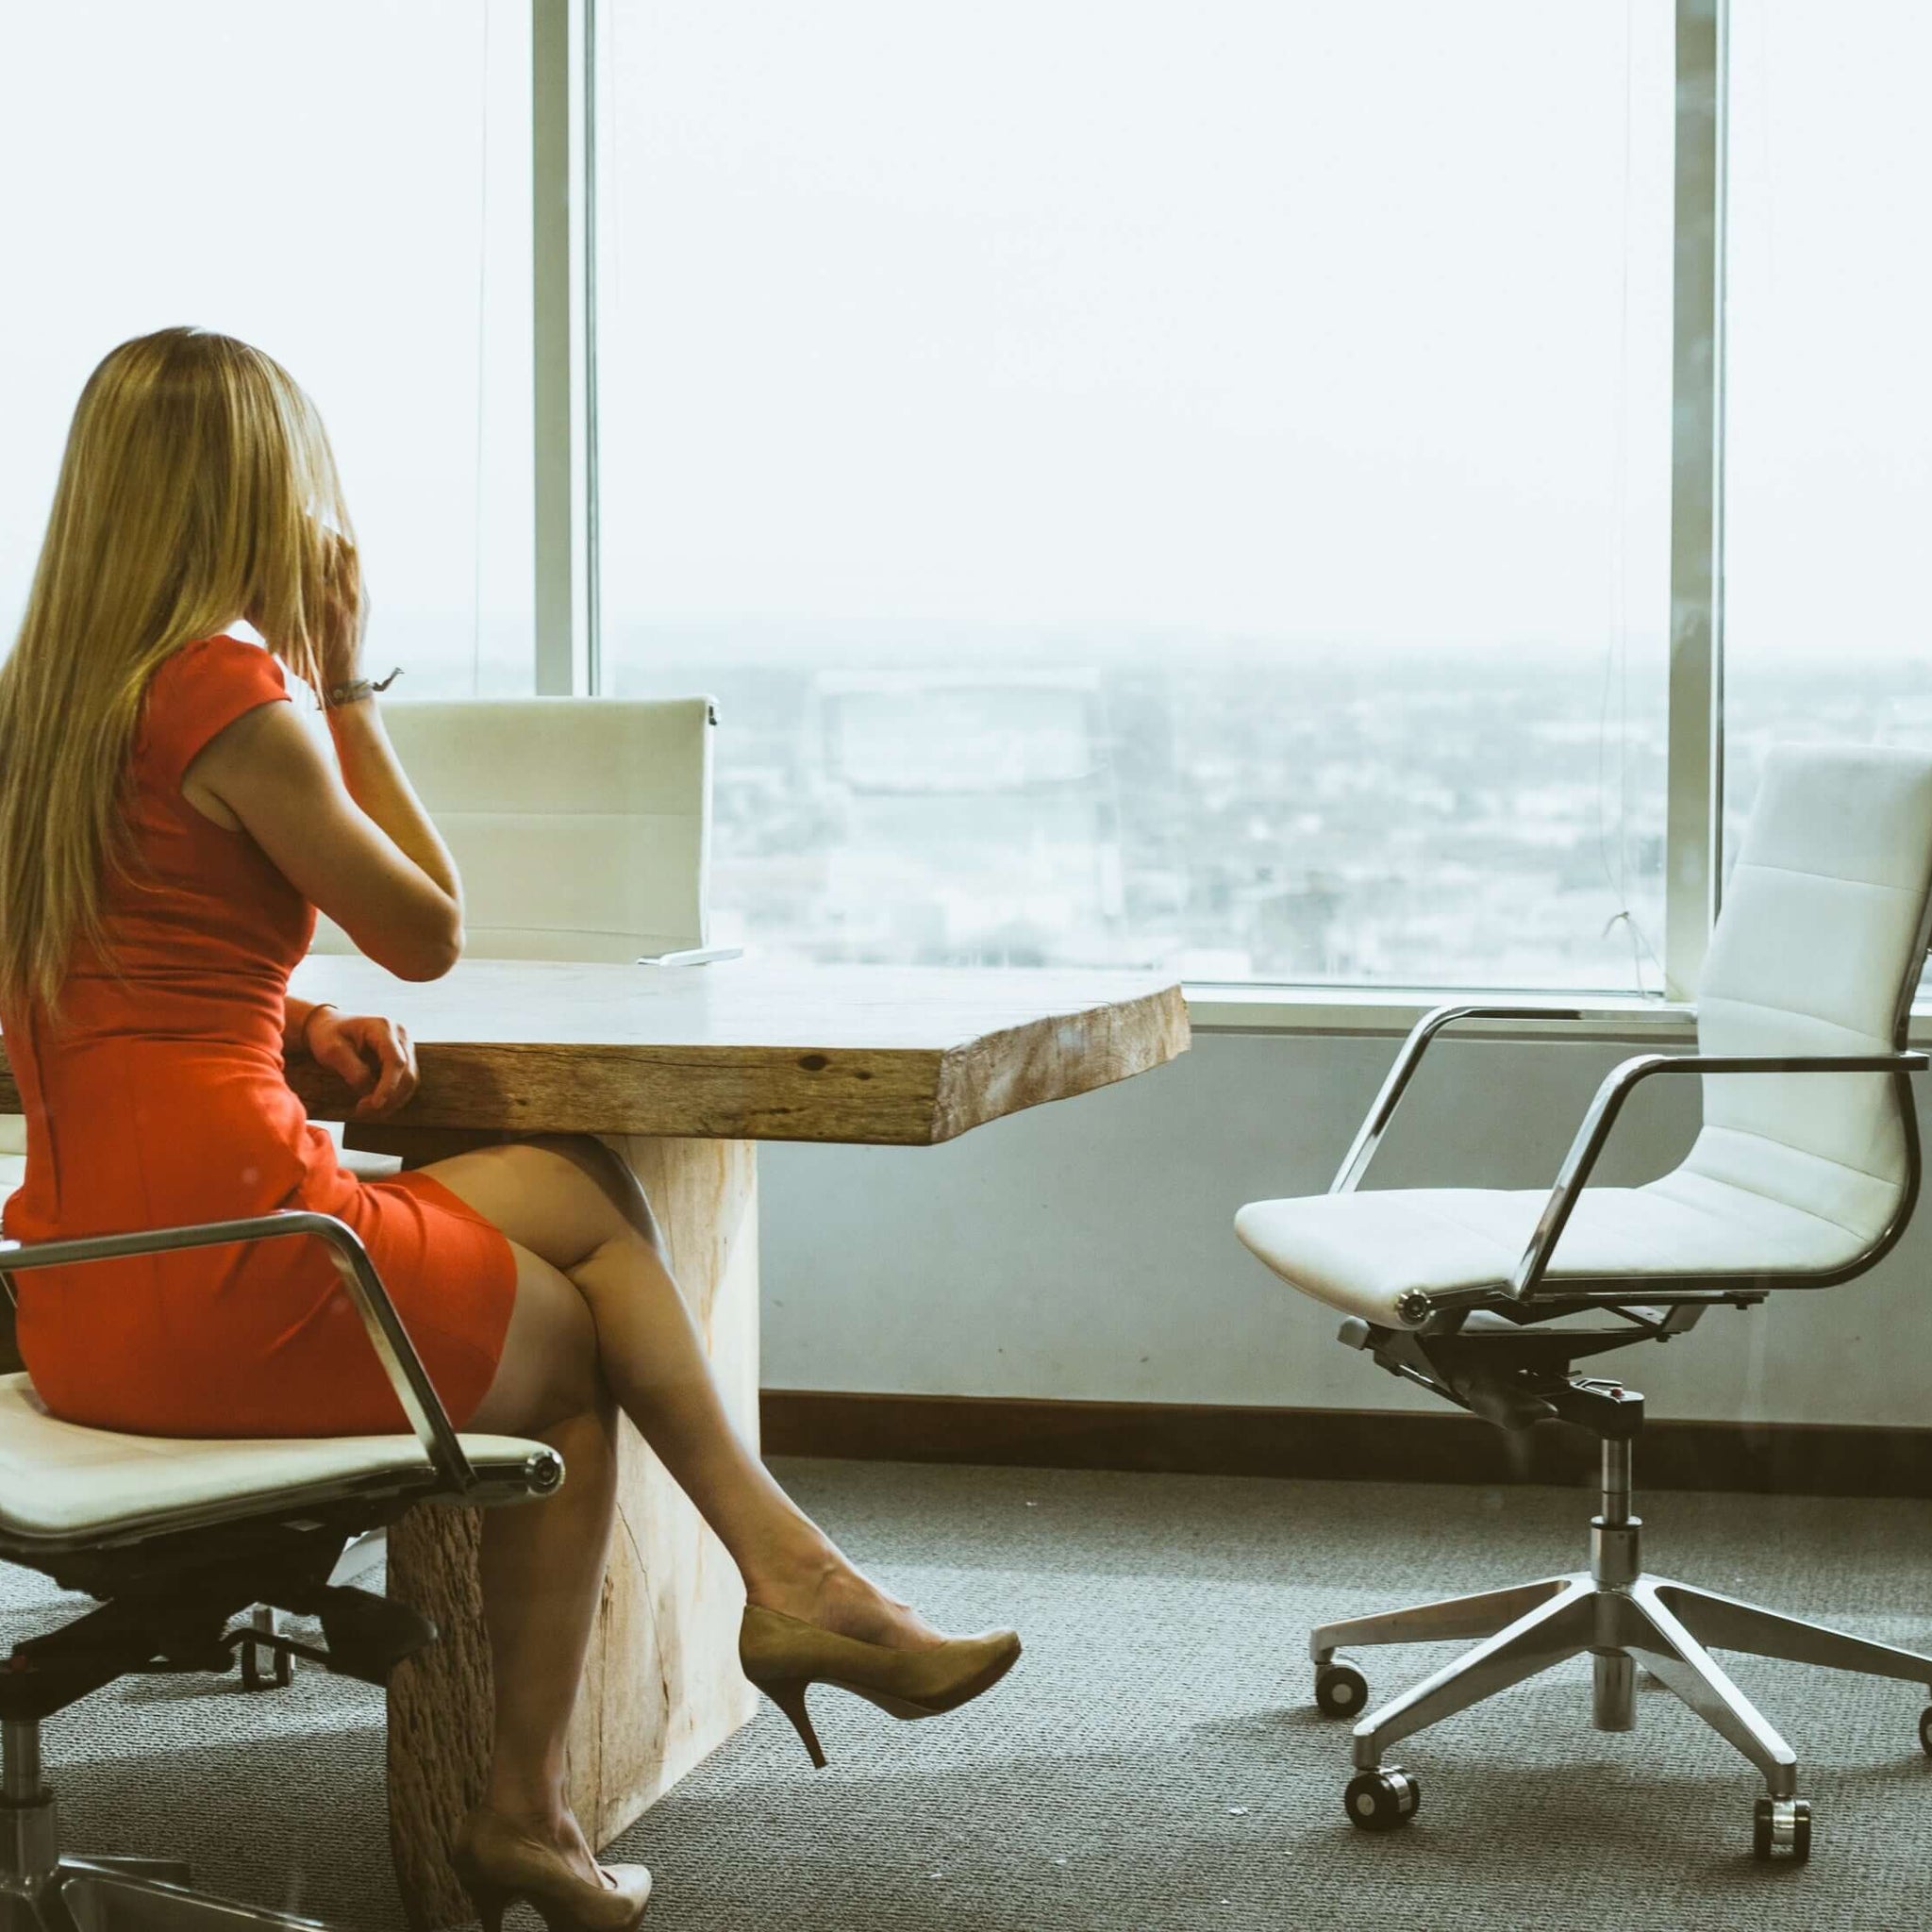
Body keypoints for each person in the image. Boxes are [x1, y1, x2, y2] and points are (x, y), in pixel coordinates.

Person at [0, 327, 1018, 1932]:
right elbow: (425, 928)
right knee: (582, 1358)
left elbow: (88, 990)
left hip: (79, 1293)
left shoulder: (38, 715)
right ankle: (544, 1802)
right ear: (258, 490)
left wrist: (279, 1026)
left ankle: (785, 1589)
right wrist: (339, 677)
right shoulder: (227, 687)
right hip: (249, 1269)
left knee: (581, 1189)